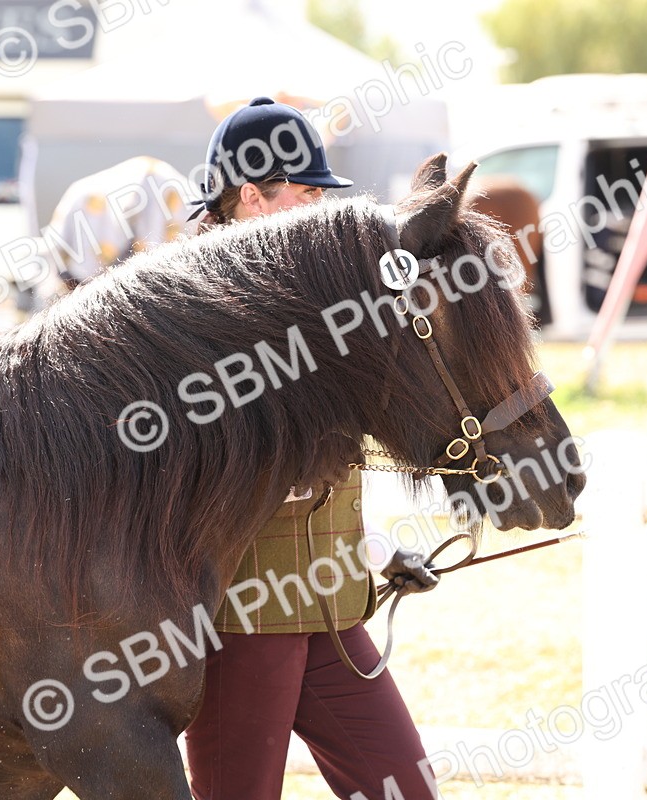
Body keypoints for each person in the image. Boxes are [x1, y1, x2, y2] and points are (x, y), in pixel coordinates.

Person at [181, 97, 441, 800]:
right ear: (250, 199)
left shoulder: (309, 292)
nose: (319, 206)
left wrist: (380, 550)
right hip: (243, 614)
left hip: (331, 606)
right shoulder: (188, 305)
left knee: (405, 791)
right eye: (303, 191)